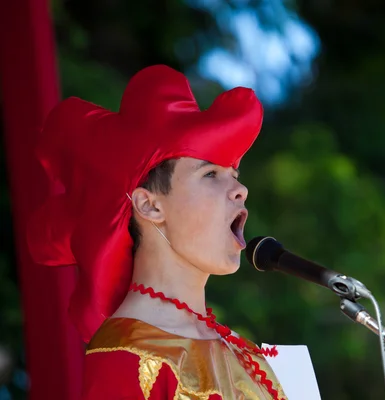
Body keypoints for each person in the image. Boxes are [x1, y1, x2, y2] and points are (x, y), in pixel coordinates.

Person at [26, 65, 286, 399]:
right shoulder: (126, 356)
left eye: (234, 174)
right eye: (210, 174)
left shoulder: (251, 358)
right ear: (149, 206)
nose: (240, 189)